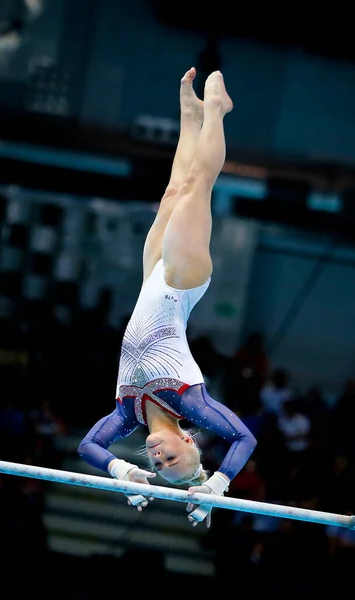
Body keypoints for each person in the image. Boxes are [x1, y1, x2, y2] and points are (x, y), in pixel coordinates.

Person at [78, 67, 257, 527]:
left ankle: (191, 115)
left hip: (152, 281)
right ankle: (218, 109)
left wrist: (123, 472)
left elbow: (88, 447)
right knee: (198, 185)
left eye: (157, 467)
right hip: (182, 285)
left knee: (174, 190)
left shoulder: (127, 412)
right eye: (172, 461)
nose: (159, 459)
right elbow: (244, 440)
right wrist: (217, 485)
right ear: (191, 442)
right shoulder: (190, 403)